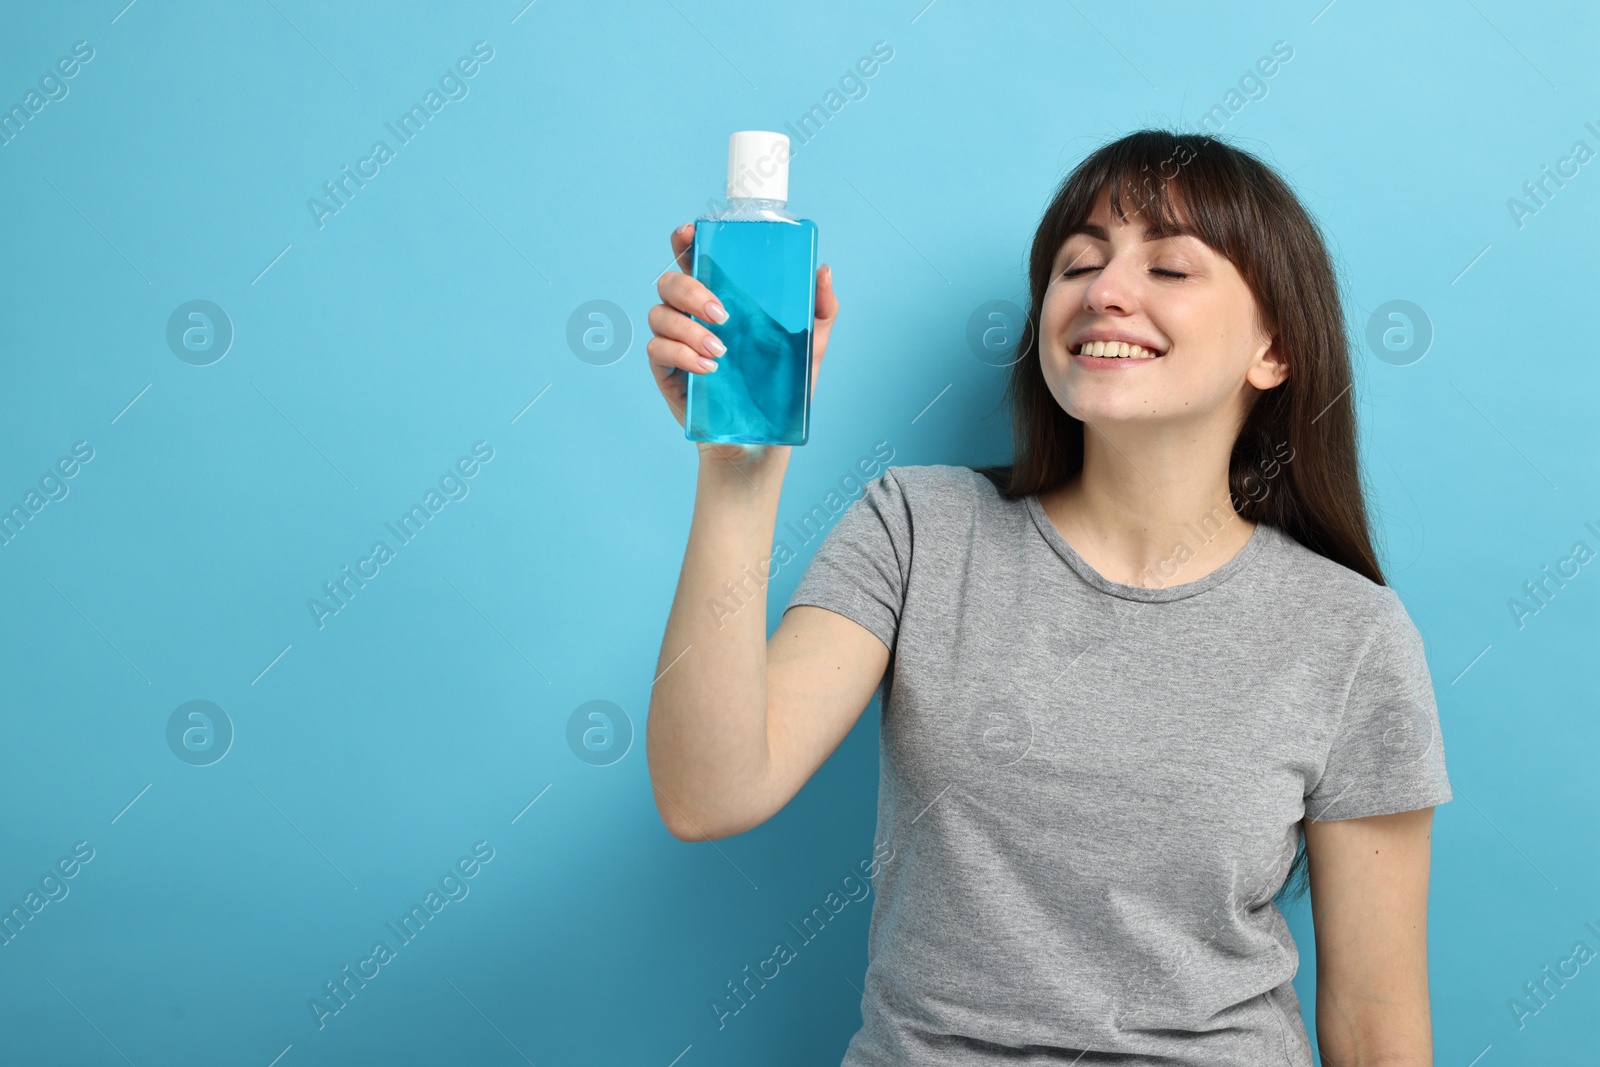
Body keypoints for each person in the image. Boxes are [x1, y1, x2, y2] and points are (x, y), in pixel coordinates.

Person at [644, 129, 1452, 1066]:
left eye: (1171, 268)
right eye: (1079, 262)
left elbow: (1376, 1023)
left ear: (1272, 349)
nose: (1106, 290)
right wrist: (739, 475)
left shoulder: (1350, 635)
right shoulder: (918, 529)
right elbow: (708, 793)